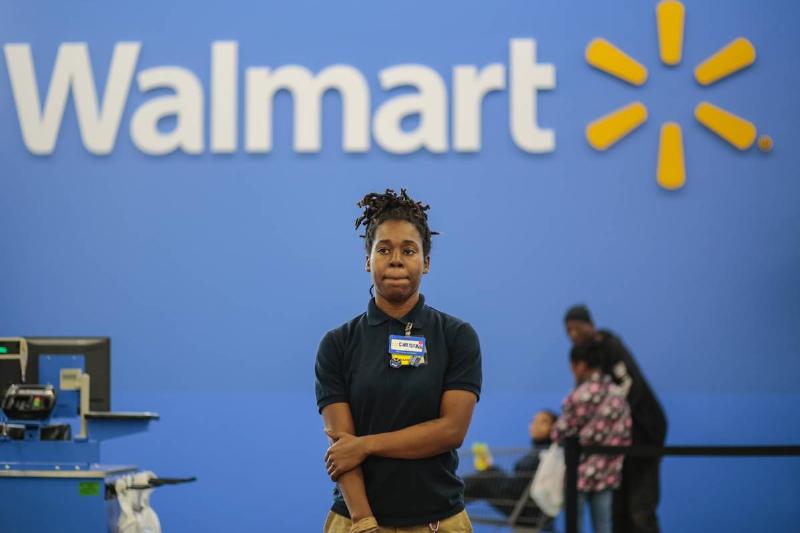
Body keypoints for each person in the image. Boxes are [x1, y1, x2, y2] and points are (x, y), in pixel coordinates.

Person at [315, 189, 482, 533]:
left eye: (409, 250)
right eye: (384, 249)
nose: (396, 260)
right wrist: (364, 523)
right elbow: (342, 448)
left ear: (426, 262)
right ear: (367, 260)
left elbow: (451, 431)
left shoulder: (456, 336)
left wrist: (367, 444)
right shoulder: (337, 344)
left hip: (439, 522)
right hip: (356, 522)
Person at [563, 305, 667, 533]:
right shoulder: (588, 361)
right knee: (617, 514)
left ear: (590, 325)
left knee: (640, 511)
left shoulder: (611, 347)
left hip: (643, 438)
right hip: (616, 448)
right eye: (568, 331)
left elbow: (631, 390)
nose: (573, 335)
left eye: (577, 328)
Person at [551, 342, 632, 533]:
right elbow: (625, 433)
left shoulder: (579, 395)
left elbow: (559, 433)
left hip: (577, 472)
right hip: (607, 473)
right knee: (603, 525)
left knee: (574, 525)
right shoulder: (617, 394)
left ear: (580, 364)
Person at [463, 410, 558, 530]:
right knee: (488, 473)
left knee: (483, 479)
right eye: (534, 421)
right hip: (523, 505)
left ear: (555, 428)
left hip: (527, 509)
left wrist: (491, 471)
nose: (536, 425)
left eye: (543, 422)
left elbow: (518, 488)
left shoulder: (548, 455)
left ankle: (447, 495)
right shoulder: (539, 453)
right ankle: (449, 495)